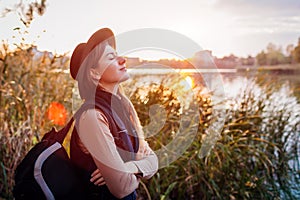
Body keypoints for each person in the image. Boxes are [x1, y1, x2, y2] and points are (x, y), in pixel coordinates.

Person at [69, 28, 158, 199]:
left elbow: (154, 160)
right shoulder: (93, 116)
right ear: (94, 73)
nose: (122, 60)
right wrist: (136, 169)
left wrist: (129, 167)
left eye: (117, 54)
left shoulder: (124, 107)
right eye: (111, 57)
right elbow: (122, 187)